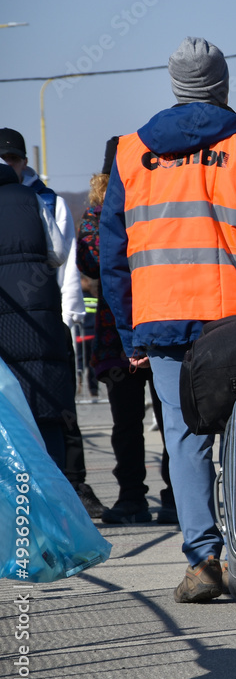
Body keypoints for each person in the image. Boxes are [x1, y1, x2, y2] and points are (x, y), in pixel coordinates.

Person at [101, 37, 236, 602]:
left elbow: (113, 255)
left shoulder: (130, 153)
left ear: (175, 85)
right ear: (223, 84)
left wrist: (128, 333)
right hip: (235, 323)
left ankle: (204, 559)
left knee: (185, 442)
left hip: (162, 323)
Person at [0, 127, 105, 518]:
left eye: (12, 157)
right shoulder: (37, 202)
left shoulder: (47, 198)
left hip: (33, 326)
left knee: (29, 420)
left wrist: (71, 312)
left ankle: (35, 505)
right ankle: (57, 506)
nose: (9, 163)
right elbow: (61, 255)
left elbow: (70, 270)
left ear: (25, 160)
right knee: (49, 415)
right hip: (40, 323)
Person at [78, 141, 176, 525]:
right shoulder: (140, 203)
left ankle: (152, 496)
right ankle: (149, 497)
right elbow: (92, 259)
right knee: (153, 418)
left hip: (138, 327)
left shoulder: (102, 211)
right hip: (140, 327)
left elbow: (93, 258)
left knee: (147, 419)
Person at [0, 155, 73, 469]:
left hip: (4, 323)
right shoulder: (32, 198)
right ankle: (58, 494)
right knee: (46, 408)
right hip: (40, 314)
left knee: (10, 415)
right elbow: (58, 252)